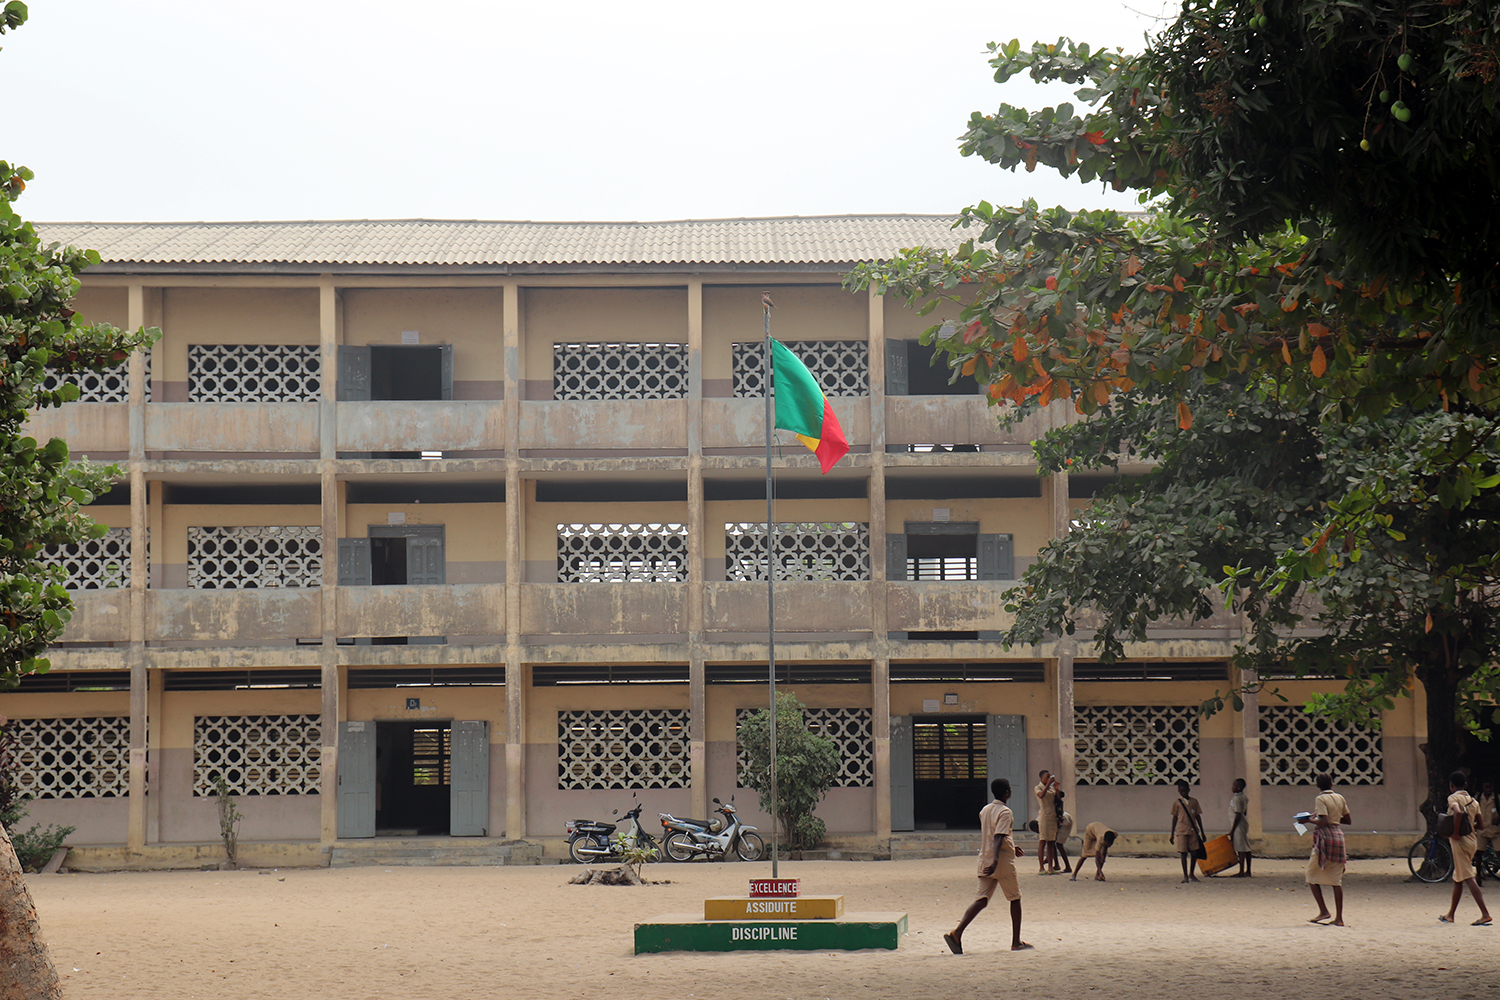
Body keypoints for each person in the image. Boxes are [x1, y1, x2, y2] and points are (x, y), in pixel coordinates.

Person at [946, 777, 1031, 954]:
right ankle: (1016, 942)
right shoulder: (1005, 812)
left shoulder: (985, 810)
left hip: (984, 859)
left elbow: (995, 834)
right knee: (1015, 898)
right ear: (1007, 792)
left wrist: (1011, 847)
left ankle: (957, 932)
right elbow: (998, 836)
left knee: (981, 899)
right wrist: (996, 861)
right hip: (1000, 862)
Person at [1438, 770, 1492, 926]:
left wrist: (1455, 832)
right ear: (1466, 785)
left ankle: (1485, 914)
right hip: (1472, 841)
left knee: (1468, 877)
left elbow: (1457, 812)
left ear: (1451, 785)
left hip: (1460, 842)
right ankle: (1450, 915)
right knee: (1458, 878)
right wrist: (1468, 827)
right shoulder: (1473, 801)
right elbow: (1480, 825)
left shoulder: (1453, 798)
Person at [1305, 772, 1351, 926]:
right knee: (1336, 880)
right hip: (1339, 836)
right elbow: (1347, 820)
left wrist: (1310, 820)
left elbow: (1323, 822)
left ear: (1317, 785)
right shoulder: (1340, 798)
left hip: (1326, 839)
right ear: (1332, 783)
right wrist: (1334, 818)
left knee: (1311, 876)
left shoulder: (1320, 798)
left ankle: (1324, 910)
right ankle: (1339, 918)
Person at [1170, 780, 1206, 884]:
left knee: (1194, 852)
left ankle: (1192, 873)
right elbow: (1175, 818)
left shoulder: (1194, 802)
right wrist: (1172, 834)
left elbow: (1198, 817)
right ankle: (1185, 875)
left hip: (1193, 830)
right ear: (1179, 791)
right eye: (1182, 791)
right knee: (1183, 853)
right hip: (1181, 830)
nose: (1184, 793)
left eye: (1185, 790)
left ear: (1189, 790)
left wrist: (1202, 832)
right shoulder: (1177, 803)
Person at [1035, 770, 1060, 874]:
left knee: (1051, 842)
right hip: (1044, 816)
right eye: (1047, 777)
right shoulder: (1038, 787)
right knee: (1043, 841)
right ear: (1041, 778)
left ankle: (1051, 867)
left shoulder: (1051, 788)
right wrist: (1048, 784)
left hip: (1052, 816)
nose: (1049, 778)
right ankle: (1041, 867)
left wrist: (1056, 789)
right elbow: (1041, 795)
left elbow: (1058, 799)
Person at [1228, 777, 1252, 877]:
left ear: (1239, 787)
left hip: (1238, 825)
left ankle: (1242, 871)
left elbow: (1238, 814)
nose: (1232, 787)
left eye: (1234, 786)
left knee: (1241, 848)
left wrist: (1232, 830)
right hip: (1243, 823)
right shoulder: (1243, 797)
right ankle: (1248, 871)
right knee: (1246, 847)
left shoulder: (1237, 799)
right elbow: (1244, 811)